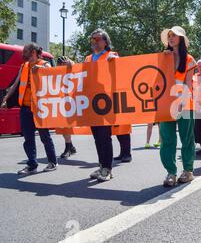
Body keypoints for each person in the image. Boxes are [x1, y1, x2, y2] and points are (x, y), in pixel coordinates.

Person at [61, 29, 129, 181]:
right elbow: (81, 73)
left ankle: (107, 169)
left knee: (104, 137)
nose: (94, 42)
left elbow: (120, 71)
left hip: (105, 102)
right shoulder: (88, 58)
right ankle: (102, 166)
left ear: (105, 41)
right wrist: (72, 65)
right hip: (91, 103)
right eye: (92, 39)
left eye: (97, 39)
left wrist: (114, 60)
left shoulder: (112, 55)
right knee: (97, 137)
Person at [1, 43, 58, 175]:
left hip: (40, 109)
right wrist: (6, 99)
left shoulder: (45, 64)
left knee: (45, 137)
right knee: (28, 138)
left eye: (25, 52)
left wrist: (41, 70)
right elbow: (16, 84)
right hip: (25, 108)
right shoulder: (24, 66)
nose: (23, 54)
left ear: (32, 52)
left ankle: (52, 162)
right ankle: (32, 165)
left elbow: (53, 76)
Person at [159, 26, 196, 187]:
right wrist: (163, 59)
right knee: (167, 139)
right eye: (170, 36)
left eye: (175, 35)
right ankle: (171, 172)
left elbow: (189, 84)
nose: (171, 38)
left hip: (185, 103)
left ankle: (188, 171)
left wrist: (182, 101)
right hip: (165, 104)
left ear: (181, 39)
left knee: (187, 138)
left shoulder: (189, 59)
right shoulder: (162, 57)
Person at [56, 56, 77, 159]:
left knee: (66, 126)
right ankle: (70, 146)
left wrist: (71, 64)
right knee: (62, 127)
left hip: (70, 102)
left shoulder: (72, 69)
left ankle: (68, 148)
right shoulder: (57, 72)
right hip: (60, 102)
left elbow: (79, 70)